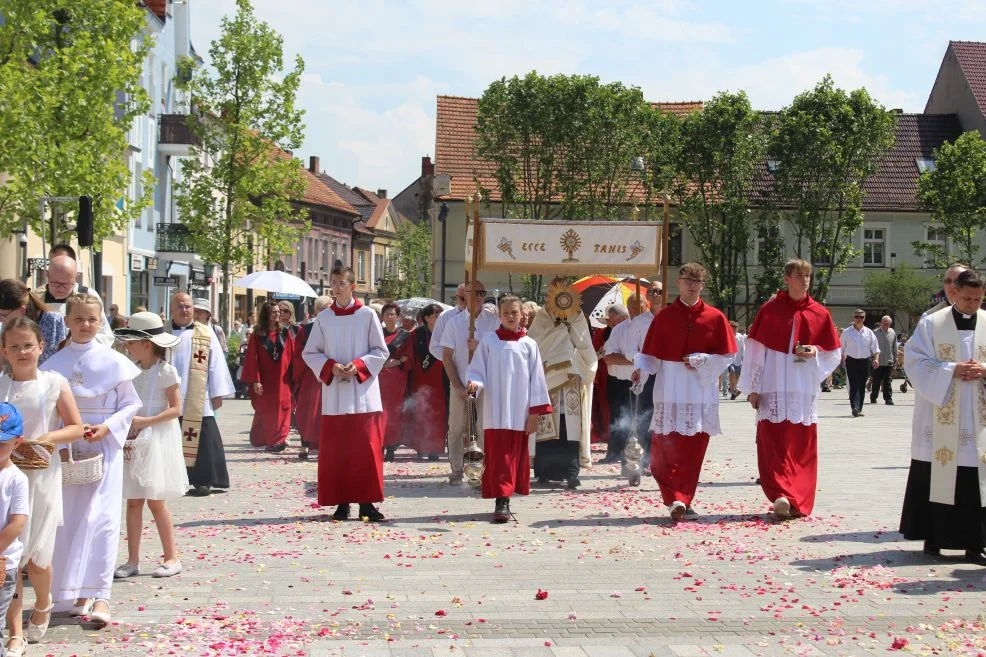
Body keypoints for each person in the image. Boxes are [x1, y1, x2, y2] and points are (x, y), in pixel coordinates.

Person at [41, 293, 142, 627]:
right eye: (78, 319)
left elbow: (130, 405)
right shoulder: (53, 363)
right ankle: (71, 592)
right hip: (67, 451)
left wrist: (108, 427)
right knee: (66, 520)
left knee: (102, 520)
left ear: (101, 323)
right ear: (67, 321)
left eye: (92, 319)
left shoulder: (113, 361)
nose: (85, 325)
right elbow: (47, 407)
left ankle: (102, 595)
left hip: (103, 448)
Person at [0, 317, 83, 652]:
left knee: (38, 559)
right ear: (4, 351)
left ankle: (45, 602)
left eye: (28, 345)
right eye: (15, 346)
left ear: (41, 347)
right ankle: (15, 631)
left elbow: (76, 427)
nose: (22, 351)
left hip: (42, 474)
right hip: (6, 475)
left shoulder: (53, 382)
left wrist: (49, 436)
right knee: (10, 560)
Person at [738, 259, 841, 519]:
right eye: (799, 275)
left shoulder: (820, 313)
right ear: (787, 278)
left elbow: (834, 353)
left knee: (800, 447)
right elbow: (755, 351)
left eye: (808, 275)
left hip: (801, 390)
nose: (805, 280)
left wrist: (815, 351)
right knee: (772, 443)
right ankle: (780, 494)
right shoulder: (770, 310)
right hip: (772, 386)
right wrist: (752, 387)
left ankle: (797, 498)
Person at [633, 264, 736, 520]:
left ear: (703, 285)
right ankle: (673, 497)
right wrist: (640, 372)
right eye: (687, 280)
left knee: (693, 448)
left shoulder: (715, 317)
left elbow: (727, 356)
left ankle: (683, 498)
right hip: (670, 388)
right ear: (678, 283)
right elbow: (650, 358)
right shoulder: (664, 317)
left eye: (697, 281)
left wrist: (703, 359)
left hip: (699, 391)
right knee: (665, 449)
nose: (692, 285)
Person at [900, 269, 986, 565]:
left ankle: (976, 544)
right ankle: (933, 539)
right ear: (954, 294)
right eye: (967, 298)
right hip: (942, 416)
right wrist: (952, 370)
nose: (972, 304)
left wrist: (984, 370)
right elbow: (914, 361)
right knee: (939, 475)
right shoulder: (932, 324)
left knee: (976, 480)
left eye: (977, 299)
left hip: (978, 419)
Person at [302, 266, 389, 522]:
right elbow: (310, 352)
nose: (336, 287)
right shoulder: (324, 319)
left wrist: (359, 366)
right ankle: (341, 503)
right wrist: (331, 367)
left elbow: (380, 351)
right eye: (334, 282)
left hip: (363, 392)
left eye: (341, 283)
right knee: (337, 452)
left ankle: (367, 503)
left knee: (366, 449)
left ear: (352, 286)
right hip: (335, 396)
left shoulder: (367, 316)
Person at [112, 312, 187, 581]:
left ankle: (171, 556)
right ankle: (132, 560)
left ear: (146, 344)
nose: (127, 347)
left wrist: (146, 421)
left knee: (156, 500)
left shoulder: (165, 371)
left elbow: (177, 408)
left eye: (131, 342)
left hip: (156, 438)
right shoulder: (131, 370)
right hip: (135, 437)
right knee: (133, 501)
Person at [465, 295, 551, 522]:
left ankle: (507, 496)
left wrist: (535, 413)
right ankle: (501, 500)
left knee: (514, 455)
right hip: (496, 409)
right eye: (506, 313)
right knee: (498, 455)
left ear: (522, 314)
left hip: (520, 410)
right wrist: (473, 385)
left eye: (515, 312)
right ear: (499, 316)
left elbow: (538, 380)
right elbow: (477, 371)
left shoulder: (529, 345)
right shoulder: (489, 342)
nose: (511, 317)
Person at [527, 283, 596, 489]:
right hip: (547, 378)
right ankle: (545, 471)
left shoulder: (577, 317)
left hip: (572, 377)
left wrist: (568, 329)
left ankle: (571, 472)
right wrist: (558, 333)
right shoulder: (542, 317)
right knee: (547, 426)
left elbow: (585, 346)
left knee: (570, 428)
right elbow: (535, 343)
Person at [169, 293, 236, 497]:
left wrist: (218, 392)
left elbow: (215, 363)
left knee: (203, 437)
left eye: (188, 306)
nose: (185, 310)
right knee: (170, 436)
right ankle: (173, 479)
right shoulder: (162, 332)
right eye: (180, 306)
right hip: (168, 395)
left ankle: (203, 480)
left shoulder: (205, 332)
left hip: (198, 394)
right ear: (172, 309)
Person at [441, 280, 499, 485]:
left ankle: (479, 470)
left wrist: (481, 343)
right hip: (462, 380)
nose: (480, 296)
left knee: (483, 427)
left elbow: (502, 346)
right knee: (456, 427)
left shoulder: (494, 319)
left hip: (485, 382)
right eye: (475, 292)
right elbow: (446, 356)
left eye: (483, 292)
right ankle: (457, 468)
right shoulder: (454, 323)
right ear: (464, 295)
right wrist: (456, 385)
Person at [241, 301, 294, 453]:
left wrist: (294, 375)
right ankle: (271, 440)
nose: (278, 314)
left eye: (279, 311)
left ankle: (280, 439)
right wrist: (256, 380)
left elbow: (292, 355)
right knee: (269, 410)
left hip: (283, 379)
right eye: (274, 312)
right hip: (266, 379)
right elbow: (253, 359)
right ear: (266, 315)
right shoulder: (258, 335)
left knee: (284, 407)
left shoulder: (285, 333)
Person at [35, 254, 114, 347]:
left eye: (67, 284)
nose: (61, 288)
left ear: (76, 277)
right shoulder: (36, 297)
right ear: (47, 274)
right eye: (56, 283)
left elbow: (105, 336)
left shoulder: (87, 295)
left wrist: (75, 341)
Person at [0, 405, 28, 657]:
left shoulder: (16, 478)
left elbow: (18, 522)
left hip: (2, 562)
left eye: (1, 443)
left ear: (17, 442)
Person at [292, 296, 333, 460]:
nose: (326, 312)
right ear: (316, 311)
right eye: (322, 309)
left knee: (328, 411)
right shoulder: (306, 329)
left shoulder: (338, 327)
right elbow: (299, 353)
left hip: (331, 374)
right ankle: (305, 444)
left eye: (329, 308)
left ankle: (326, 445)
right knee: (308, 411)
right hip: (311, 375)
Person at [405, 304, 447, 460]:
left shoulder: (445, 333)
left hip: (440, 378)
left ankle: (435, 448)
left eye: (440, 315)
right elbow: (410, 356)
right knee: (421, 410)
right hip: (421, 377)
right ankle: (421, 446)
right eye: (436, 315)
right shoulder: (416, 335)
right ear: (427, 318)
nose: (439, 318)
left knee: (438, 413)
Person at [0, 280, 66, 364]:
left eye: (3, 315)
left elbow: (62, 356)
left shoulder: (53, 320)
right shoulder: (6, 324)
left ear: (21, 310)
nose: (1, 319)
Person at [379, 303, 412, 462]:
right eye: (387, 314)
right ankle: (380, 445)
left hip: (396, 379)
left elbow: (409, 357)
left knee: (393, 413)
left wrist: (397, 362)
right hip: (378, 378)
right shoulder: (377, 334)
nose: (390, 317)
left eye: (393, 314)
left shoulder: (404, 335)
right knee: (379, 412)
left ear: (398, 317)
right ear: (382, 317)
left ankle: (391, 448)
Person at [601, 304, 632, 463]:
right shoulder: (615, 331)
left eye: (612, 321)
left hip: (628, 381)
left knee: (626, 418)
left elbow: (633, 357)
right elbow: (608, 357)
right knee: (615, 417)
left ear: (622, 318)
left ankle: (625, 452)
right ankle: (614, 451)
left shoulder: (629, 329)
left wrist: (626, 358)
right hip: (614, 379)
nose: (609, 324)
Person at [430, 284, 467, 411]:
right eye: (460, 297)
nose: (463, 300)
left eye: (465, 297)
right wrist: (450, 360)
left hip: (473, 369)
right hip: (451, 370)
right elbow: (434, 346)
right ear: (456, 297)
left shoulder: (481, 315)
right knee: (452, 407)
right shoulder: (446, 316)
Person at [841, 310, 880, 417]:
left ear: (864, 318)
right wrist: (842, 359)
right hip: (851, 361)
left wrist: (876, 359)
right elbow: (841, 348)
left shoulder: (869, 332)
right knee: (853, 385)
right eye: (857, 317)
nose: (859, 319)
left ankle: (859, 408)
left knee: (862, 385)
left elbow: (875, 348)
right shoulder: (847, 332)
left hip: (864, 361)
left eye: (861, 317)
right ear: (853, 318)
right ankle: (854, 407)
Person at [871, 315, 897, 405]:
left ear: (890, 323)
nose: (886, 324)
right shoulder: (875, 332)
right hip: (877, 361)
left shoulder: (892, 332)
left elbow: (894, 347)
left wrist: (895, 359)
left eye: (888, 323)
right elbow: (872, 347)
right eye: (884, 322)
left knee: (887, 381)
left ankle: (888, 399)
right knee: (876, 381)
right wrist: (872, 358)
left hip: (888, 361)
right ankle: (873, 397)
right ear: (881, 323)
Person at [727, 321, 746, 400]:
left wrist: (743, 357)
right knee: (732, 372)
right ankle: (732, 389)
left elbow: (742, 348)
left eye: (735, 329)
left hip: (738, 360)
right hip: (729, 359)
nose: (734, 331)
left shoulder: (740, 337)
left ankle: (733, 389)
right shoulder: (727, 336)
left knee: (737, 376)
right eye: (732, 329)